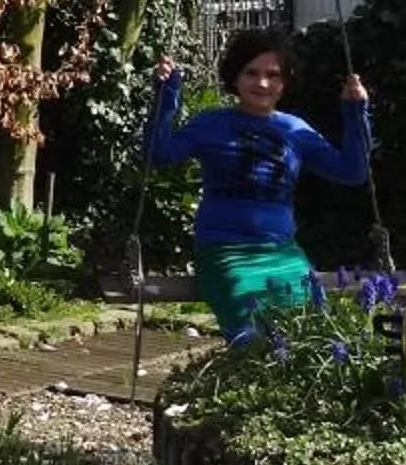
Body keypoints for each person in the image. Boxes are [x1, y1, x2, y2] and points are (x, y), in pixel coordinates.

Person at [147, 30, 370, 343]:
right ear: (234, 77)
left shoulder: (295, 130)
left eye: (272, 75)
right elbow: (159, 153)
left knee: (313, 336)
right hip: (226, 253)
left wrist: (355, 111)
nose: (262, 84)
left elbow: (352, 171)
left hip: (282, 253)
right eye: (251, 73)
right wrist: (166, 95)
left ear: (285, 81)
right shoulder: (211, 124)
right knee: (253, 338)